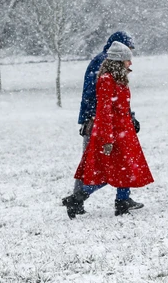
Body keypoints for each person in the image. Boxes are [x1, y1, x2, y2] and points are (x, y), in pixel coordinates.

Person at [63, 41, 154, 218]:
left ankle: (122, 202)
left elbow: (122, 105)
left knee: (124, 168)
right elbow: (104, 112)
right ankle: (77, 199)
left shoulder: (119, 78)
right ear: (119, 60)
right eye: (128, 59)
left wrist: (131, 118)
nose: (131, 63)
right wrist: (107, 139)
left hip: (124, 130)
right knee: (108, 172)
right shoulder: (106, 80)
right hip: (113, 132)